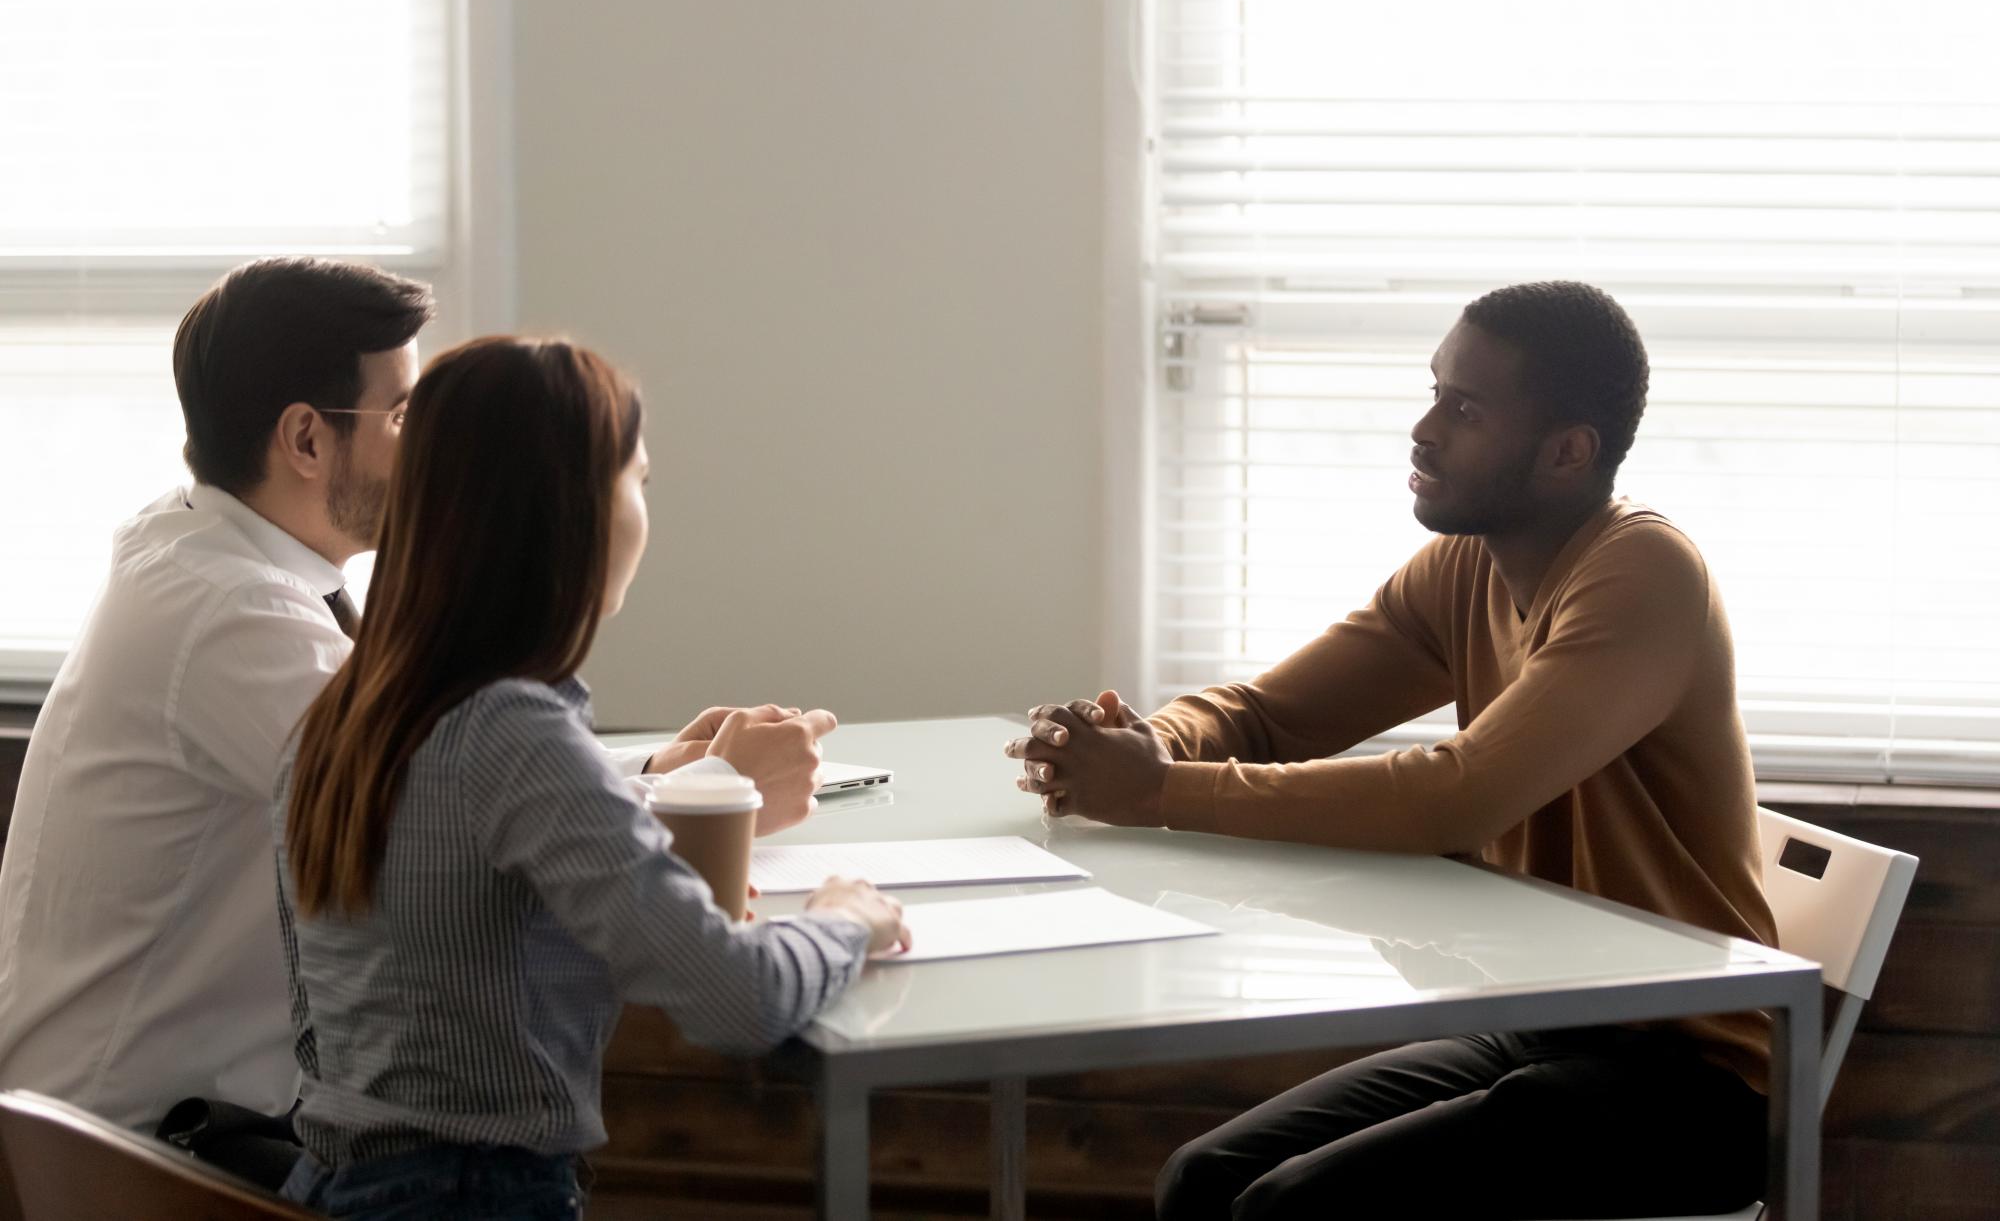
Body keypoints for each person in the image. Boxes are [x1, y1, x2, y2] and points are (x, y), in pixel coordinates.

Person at [0, 259, 827, 1182]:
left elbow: (466, 764)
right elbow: (460, 793)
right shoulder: (233, 617)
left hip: (211, 1120)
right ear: (306, 440)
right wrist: (702, 787)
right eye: (402, 415)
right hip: (147, 1149)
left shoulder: (204, 547)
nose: (428, 445)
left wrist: (662, 769)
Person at [1009, 281, 1777, 1219]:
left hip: (1683, 1087)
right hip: (1539, 1028)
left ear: (1567, 451)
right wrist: (1143, 741)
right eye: (1433, 392)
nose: (1422, 429)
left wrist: (1159, 788)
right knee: (1203, 1181)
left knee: (1289, 1210)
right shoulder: (1467, 565)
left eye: (1464, 408)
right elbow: (1267, 713)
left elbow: (1456, 797)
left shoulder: (1644, 571)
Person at [273, 336, 906, 1219]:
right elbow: (739, 999)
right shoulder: (513, 728)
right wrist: (846, 922)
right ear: (570, 511)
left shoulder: (340, 715)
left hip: (331, 1182)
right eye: (637, 480)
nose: (645, 508)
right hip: (474, 1195)